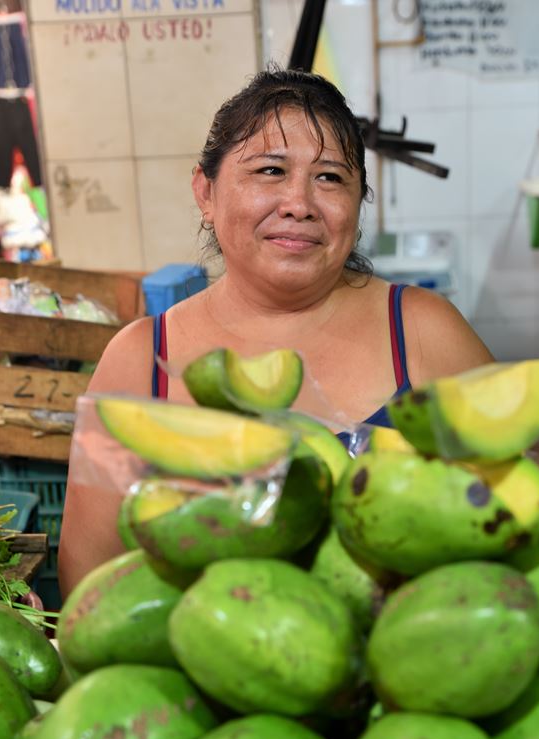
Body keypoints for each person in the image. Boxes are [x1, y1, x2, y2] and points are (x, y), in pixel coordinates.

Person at [58, 67, 493, 597]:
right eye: (269, 170)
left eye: (330, 177)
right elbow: (91, 580)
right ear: (206, 191)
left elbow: (519, 519)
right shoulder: (140, 358)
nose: (299, 203)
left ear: (359, 203)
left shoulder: (425, 332)